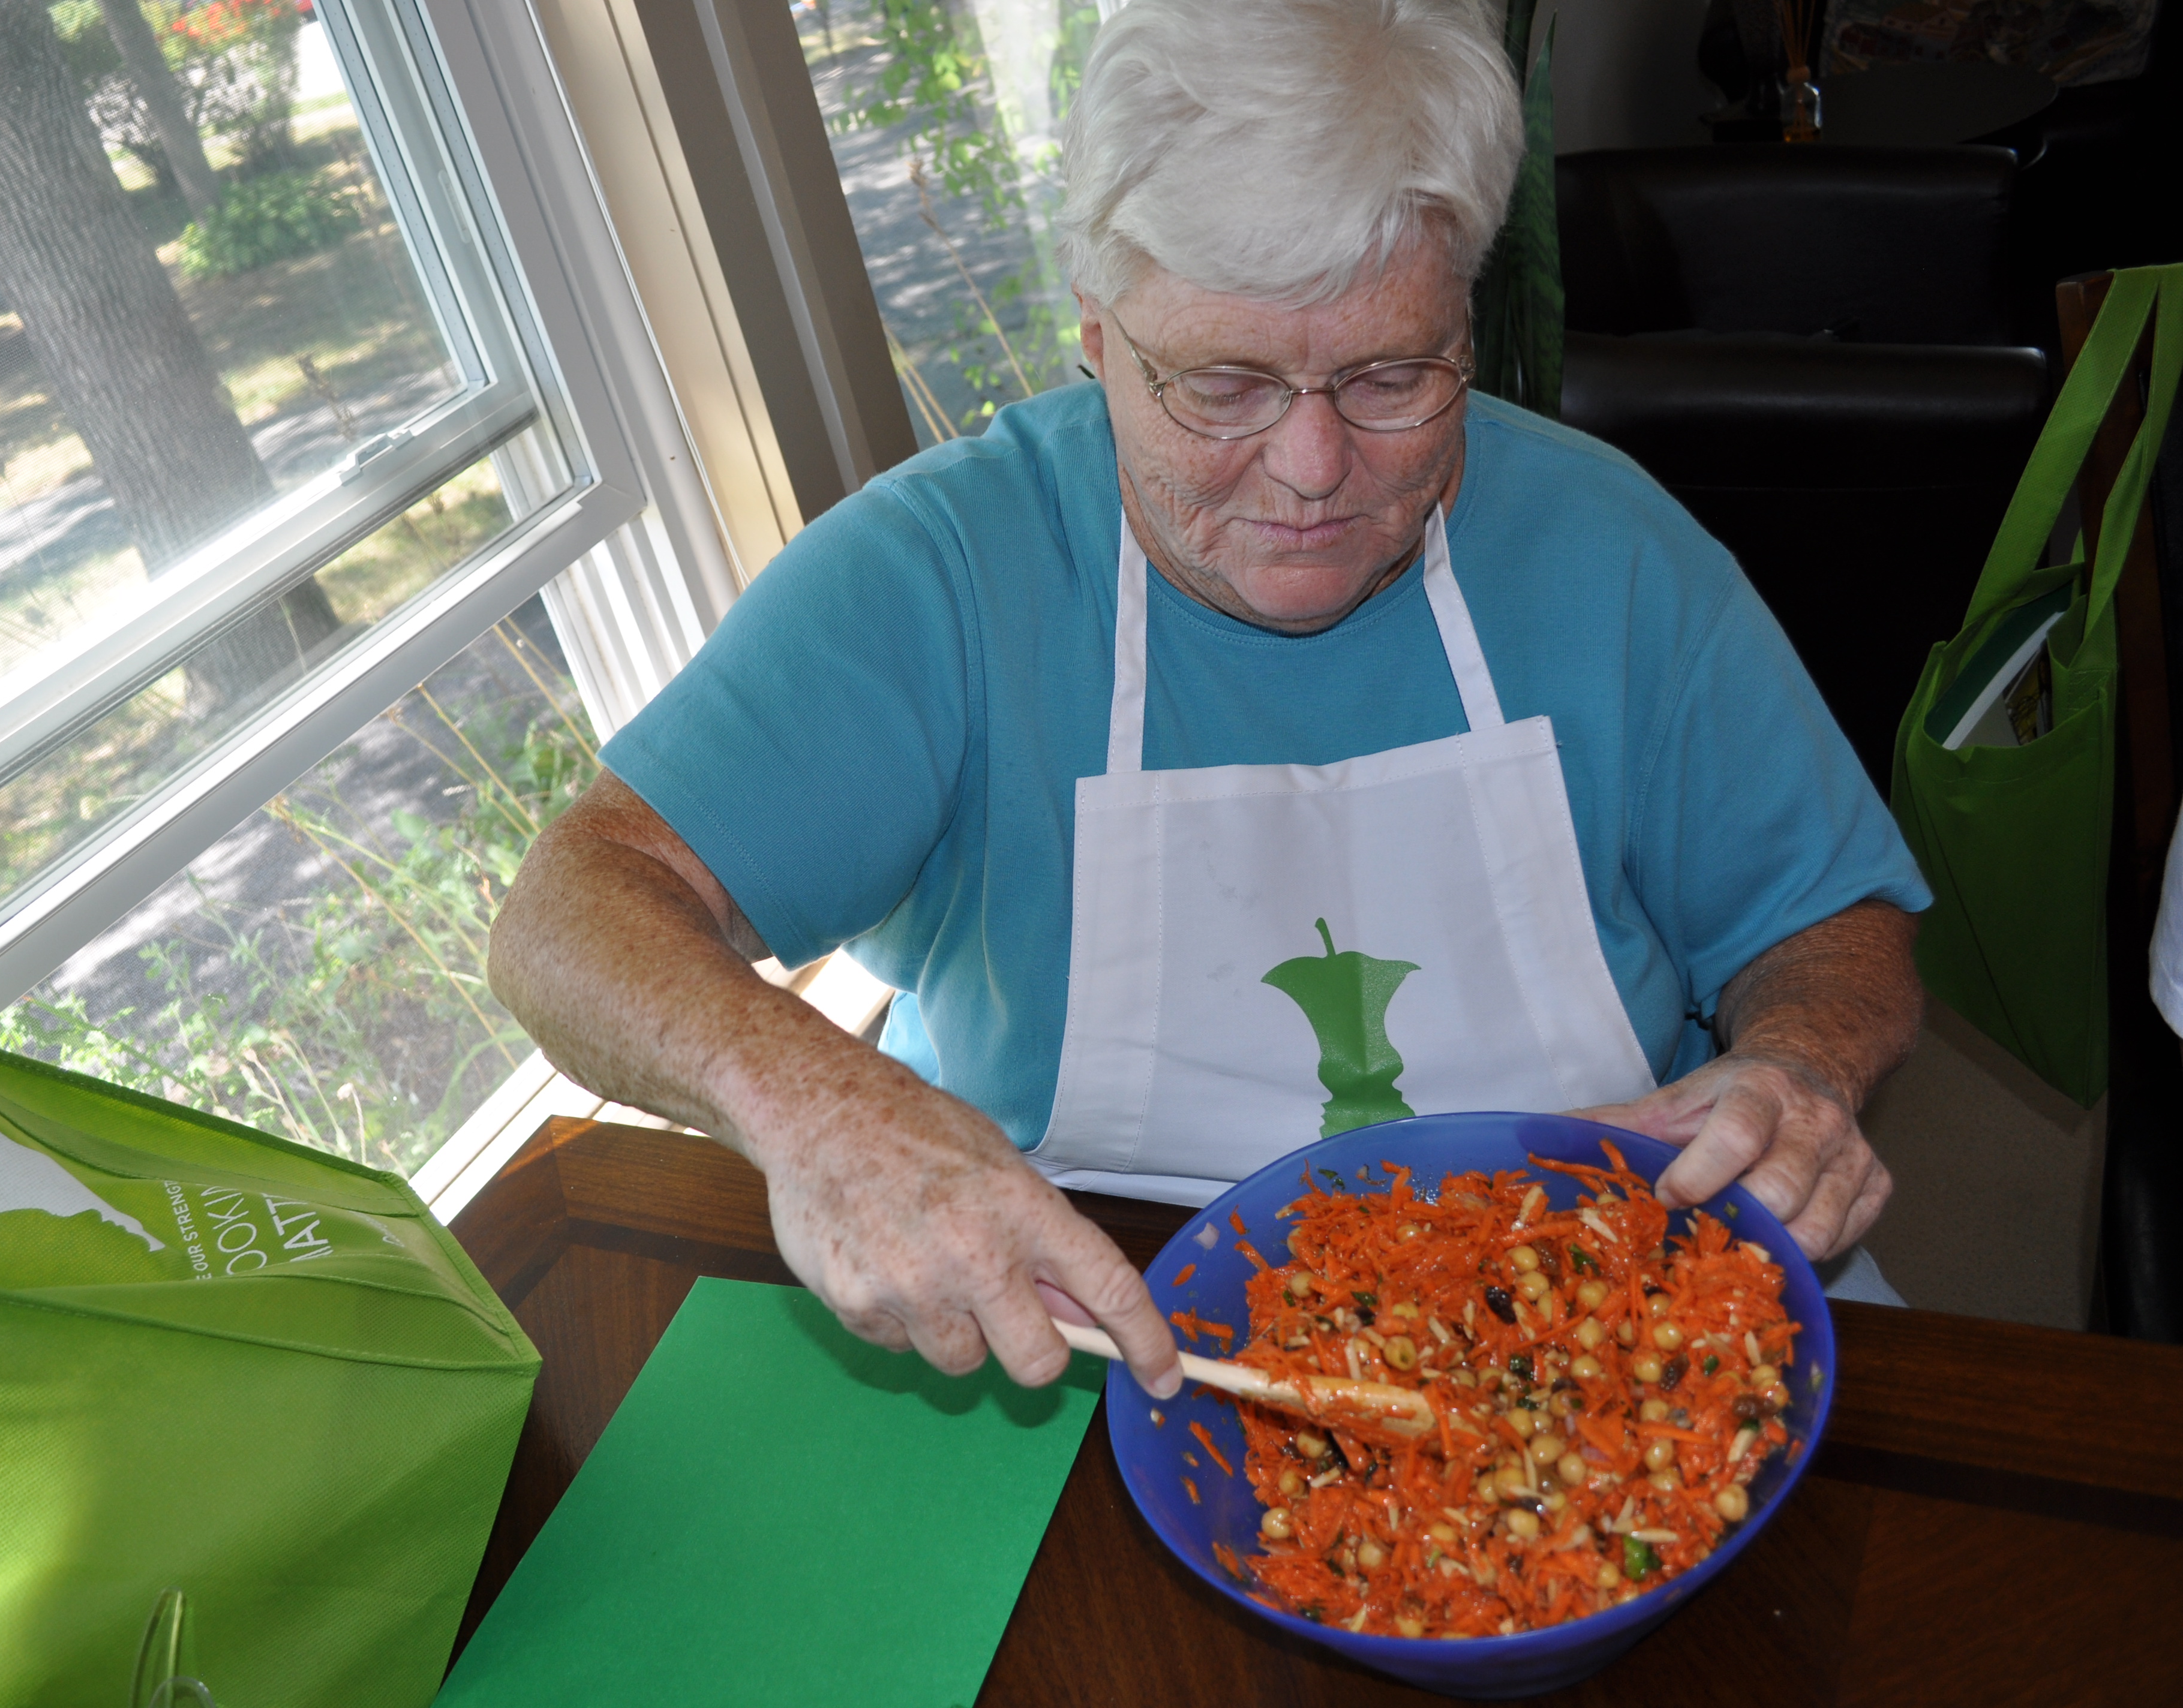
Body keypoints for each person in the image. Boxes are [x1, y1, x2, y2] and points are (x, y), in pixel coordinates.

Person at [490, 0, 1927, 1402]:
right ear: (1098, 341)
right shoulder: (941, 573)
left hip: (1606, 1284)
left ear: (1467, 330)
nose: (1310, 466)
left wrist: (1794, 1063)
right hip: (1087, 1327)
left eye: (1387, 376)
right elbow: (572, 909)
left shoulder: (1607, 545)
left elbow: (1825, 918)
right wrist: (819, 1108)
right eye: (1223, 385)